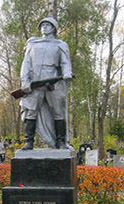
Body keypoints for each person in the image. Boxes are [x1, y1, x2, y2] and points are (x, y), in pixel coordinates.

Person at [19, 17, 73, 150]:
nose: (45, 27)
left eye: (48, 25)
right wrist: (24, 80)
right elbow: (26, 63)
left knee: (58, 111)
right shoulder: (32, 43)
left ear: (54, 28)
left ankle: (60, 141)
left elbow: (65, 62)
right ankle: (28, 142)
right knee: (31, 112)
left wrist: (67, 73)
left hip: (53, 81)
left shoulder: (60, 44)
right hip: (35, 82)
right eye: (42, 25)